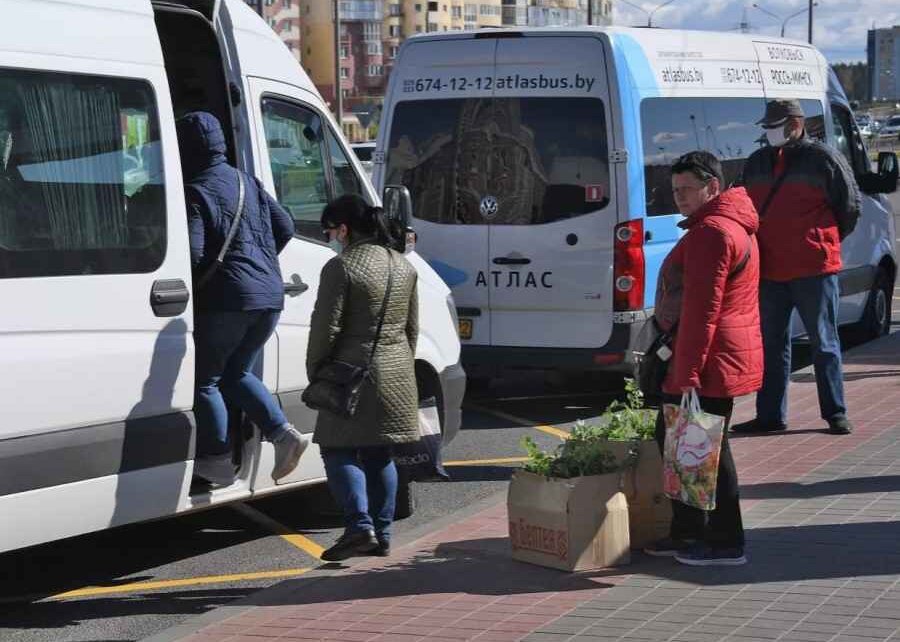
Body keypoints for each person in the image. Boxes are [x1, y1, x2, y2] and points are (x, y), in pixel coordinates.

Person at [176, 111, 308, 487]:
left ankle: (216, 460)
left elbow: (194, 252)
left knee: (206, 381)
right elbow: (286, 226)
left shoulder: (197, 189)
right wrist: (260, 264)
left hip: (228, 300)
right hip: (269, 296)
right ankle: (284, 435)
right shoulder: (247, 182)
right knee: (237, 374)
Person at [644, 151, 762, 566]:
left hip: (708, 358)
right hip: (715, 353)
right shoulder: (725, 224)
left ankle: (725, 542)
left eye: (687, 189)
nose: (679, 197)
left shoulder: (713, 232)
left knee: (707, 447)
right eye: (674, 190)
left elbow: (701, 309)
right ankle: (689, 532)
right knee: (681, 441)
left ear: (713, 186)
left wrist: (687, 370)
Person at [732, 99, 861, 436]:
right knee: (771, 345)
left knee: (825, 343)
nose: (770, 132)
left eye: (775, 125)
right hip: (770, 270)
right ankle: (770, 416)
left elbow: (849, 205)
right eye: (767, 127)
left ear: (795, 123)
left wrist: (821, 241)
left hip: (814, 268)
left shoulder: (823, 159)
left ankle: (835, 412)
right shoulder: (757, 162)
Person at [308, 194, 419, 562]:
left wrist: (317, 371)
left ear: (345, 229)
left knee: (336, 447)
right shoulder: (403, 265)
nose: (332, 239)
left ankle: (359, 527)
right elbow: (411, 328)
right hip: (397, 371)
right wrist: (401, 366)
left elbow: (326, 327)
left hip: (352, 372)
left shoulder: (341, 267)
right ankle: (382, 534)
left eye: (331, 232)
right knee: (379, 452)